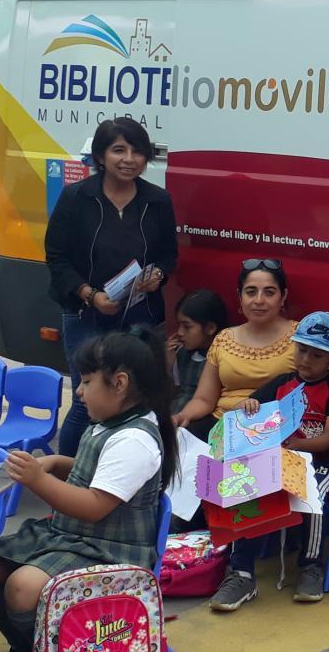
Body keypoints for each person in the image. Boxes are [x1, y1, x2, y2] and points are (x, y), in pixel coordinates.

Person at [0, 327, 178, 652]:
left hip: (111, 551)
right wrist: (55, 465)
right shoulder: (109, 421)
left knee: (22, 587)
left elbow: (95, 505)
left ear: (119, 383)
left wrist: (39, 480)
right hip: (72, 537)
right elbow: (91, 475)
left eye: (84, 381)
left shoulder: (135, 439)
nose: (78, 392)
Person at [45, 118, 178, 458]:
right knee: (87, 400)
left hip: (141, 316)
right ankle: (70, 477)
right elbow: (57, 258)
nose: (129, 159)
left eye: (137, 151)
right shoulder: (76, 198)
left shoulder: (157, 201)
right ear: (101, 156)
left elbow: (168, 254)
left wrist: (158, 275)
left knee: (140, 398)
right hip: (85, 314)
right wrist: (89, 294)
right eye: (119, 150)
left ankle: (124, 472)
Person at [208, 311, 329, 611]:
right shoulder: (281, 383)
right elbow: (253, 411)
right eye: (301, 350)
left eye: (317, 354)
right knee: (241, 485)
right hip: (278, 461)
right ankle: (241, 571)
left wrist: (295, 444)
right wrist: (250, 404)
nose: (306, 359)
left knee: (314, 494)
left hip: (319, 463)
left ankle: (311, 565)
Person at [173, 260, 300, 441]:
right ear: (240, 296)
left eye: (269, 292)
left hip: (273, 430)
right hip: (222, 426)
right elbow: (204, 400)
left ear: (283, 296)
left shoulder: (300, 338)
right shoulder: (225, 338)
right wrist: (182, 416)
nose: (259, 300)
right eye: (250, 292)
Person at [167, 288, 228, 416]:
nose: (179, 332)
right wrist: (169, 365)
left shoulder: (225, 356)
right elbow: (174, 392)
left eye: (187, 327)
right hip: (176, 414)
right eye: (179, 325)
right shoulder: (181, 353)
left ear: (210, 328)